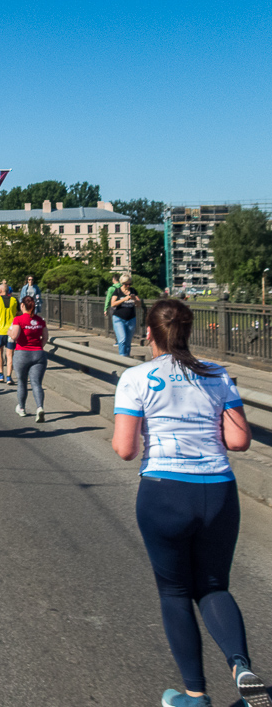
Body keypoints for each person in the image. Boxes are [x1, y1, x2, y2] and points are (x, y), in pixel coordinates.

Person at [112, 299, 267, 707]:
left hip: (165, 490)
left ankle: (195, 695)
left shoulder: (136, 377)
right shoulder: (217, 375)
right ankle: (240, 665)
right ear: (189, 331)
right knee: (214, 586)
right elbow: (238, 441)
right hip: (218, 490)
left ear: (148, 333)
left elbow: (125, 449)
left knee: (176, 592)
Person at [7, 295, 49, 422]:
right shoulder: (40, 320)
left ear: (22, 306)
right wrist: (38, 347)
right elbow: (46, 337)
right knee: (37, 383)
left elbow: (14, 336)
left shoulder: (18, 319)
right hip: (38, 354)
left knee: (22, 382)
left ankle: (22, 408)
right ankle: (40, 407)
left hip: (22, 353)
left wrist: (8, 331)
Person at [112, 273, 142, 357]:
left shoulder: (133, 291)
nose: (128, 286)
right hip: (119, 318)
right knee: (122, 339)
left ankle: (127, 357)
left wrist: (134, 300)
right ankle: (122, 358)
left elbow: (139, 304)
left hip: (131, 318)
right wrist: (124, 299)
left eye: (129, 284)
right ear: (122, 283)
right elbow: (113, 303)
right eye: (126, 284)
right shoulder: (117, 291)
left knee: (128, 342)